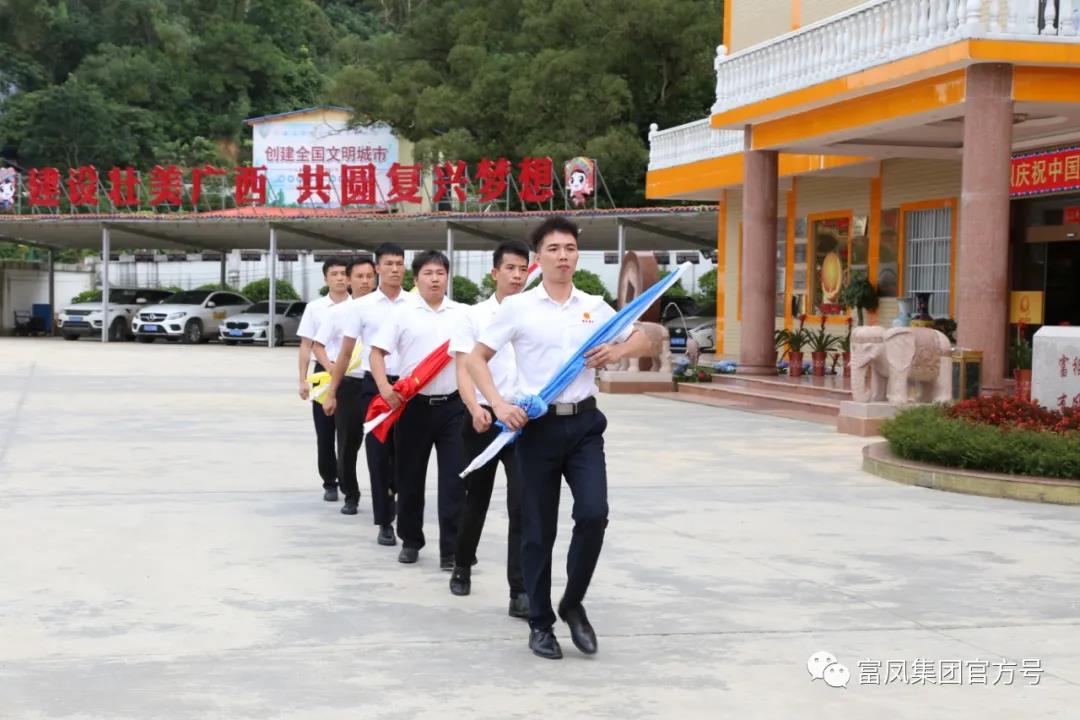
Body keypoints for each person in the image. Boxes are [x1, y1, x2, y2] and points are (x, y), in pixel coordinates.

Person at [466, 216, 650, 660]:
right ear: (538, 259)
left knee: (593, 514)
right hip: (536, 429)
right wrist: (498, 405)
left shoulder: (595, 305)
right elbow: (476, 359)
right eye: (554, 249)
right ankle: (541, 622)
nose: (563, 256)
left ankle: (573, 603)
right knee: (538, 530)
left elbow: (644, 337)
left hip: (585, 426)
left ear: (576, 255)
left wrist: (619, 350)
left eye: (569, 248)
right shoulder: (518, 308)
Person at [448, 240, 530, 619]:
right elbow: (464, 368)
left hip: (525, 422)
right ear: (495, 273)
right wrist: (473, 407)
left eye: (522, 269)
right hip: (483, 418)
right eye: (509, 268)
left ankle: (519, 589)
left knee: (523, 505)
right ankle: (462, 564)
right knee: (475, 497)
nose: (516, 275)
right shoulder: (473, 315)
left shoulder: (535, 313)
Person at [369, 250, 466, 569]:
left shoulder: (464, 314)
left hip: (454, 407)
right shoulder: (402, 314)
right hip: (413, 407)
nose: (435, 278)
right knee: (409, 477)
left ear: (447, 276)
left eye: (440, 272)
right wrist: (385, 389)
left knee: (454, 481)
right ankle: (411, 540)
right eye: (428, 273)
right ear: (416, 279)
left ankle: (451, 549)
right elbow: (377, 354)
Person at [323, 244, 412, 545]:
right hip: (374, 387)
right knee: (378, 454)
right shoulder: (359, 308)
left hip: (410, 388)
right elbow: (346, 353)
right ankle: (385, 521)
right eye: (389, 264)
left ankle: (395, 493)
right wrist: (331, 392)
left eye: (400, 263)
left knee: (405, 456)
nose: (395, 269)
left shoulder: (415, 304)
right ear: (377, 268)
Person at [313, 257, 377, 515]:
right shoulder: (338, 313)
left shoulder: (390, 309)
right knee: (347, 443)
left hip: (378, 384)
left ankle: (388, 494)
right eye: (359, 277)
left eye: (369, 276)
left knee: (386, 445)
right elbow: (318, 343)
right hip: (349, 384)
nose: (365, 281)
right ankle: (351, 493)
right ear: (349, 280)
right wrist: (331, 373)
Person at [296, 257, 349, 502]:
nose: (340, 278)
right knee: (325, 433)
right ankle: (330, 481)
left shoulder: (359, 305)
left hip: (353, 372)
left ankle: (349, 481)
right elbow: (306, 345)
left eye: (343, 273)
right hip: (323, 373)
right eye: (334, 273)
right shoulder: (315, 308)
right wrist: (302, 379)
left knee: (349, 434)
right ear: (326, 278)